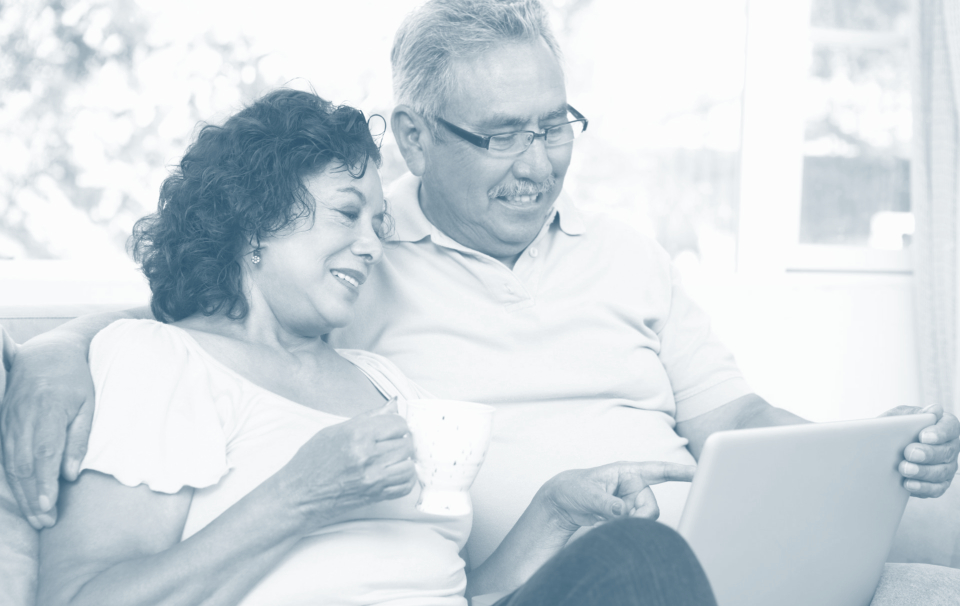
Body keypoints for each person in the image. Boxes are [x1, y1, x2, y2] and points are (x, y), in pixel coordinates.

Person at [2, 0, 959, 599]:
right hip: (635, 578)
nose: (538, 164)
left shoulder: (390, 361)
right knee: (645, 567)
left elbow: (733, 419)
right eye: (503, 135)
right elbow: (192, 323)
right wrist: (52, 349)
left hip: (640, 554)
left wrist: (869, 452)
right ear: (416, 138)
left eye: (555, 127)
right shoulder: (319, 299)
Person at [24, 87, 715, 606]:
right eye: (349, 214)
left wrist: (557, 512)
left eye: (380, 225)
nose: (371, 245)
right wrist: (300, 497)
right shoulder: (158, 361)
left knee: (638, 560)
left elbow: (459, 594)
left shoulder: (382, 381)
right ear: (254, 220)